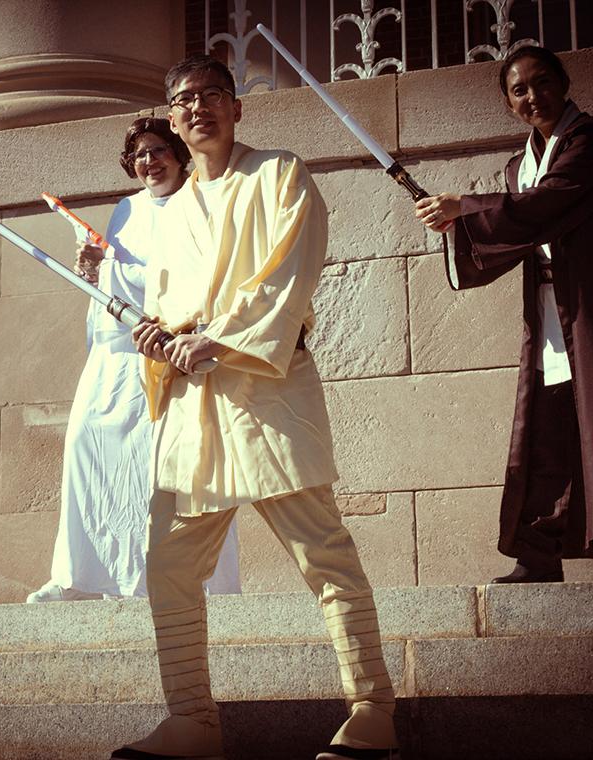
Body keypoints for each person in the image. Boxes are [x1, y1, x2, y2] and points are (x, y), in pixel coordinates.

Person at [117, 55, 399, 760]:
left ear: (236, 106)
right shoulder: (172, 208)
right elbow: (168, 307)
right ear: (173, 116)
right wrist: (156, 336)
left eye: (212, 94)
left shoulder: (281, 173)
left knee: (324, 554)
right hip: (193, 407)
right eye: (184, 100)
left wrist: (213, 338)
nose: (197, 108)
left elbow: (288, 274)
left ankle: (373, 708)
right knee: (170, 566)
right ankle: (192, 719)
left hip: (267, 394)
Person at [415, 45, 593, 583]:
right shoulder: (518, 164)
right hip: (550, 308)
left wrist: (467, 209)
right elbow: (515, 231)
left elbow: (551, 201)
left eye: (542, 83)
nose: (532, 97)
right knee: (547, 426)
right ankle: (539, 552)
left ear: (564, 83)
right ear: (507, 102)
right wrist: (457, 224)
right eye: (519, 90)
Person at [27, 118, 240, 604]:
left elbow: (189, 281)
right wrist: (91, 265)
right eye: (141, 154)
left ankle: (170, 583)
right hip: (114, 352)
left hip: (168, 355)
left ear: (180, 154)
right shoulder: (126, 208)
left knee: (160, 473)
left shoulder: (201, 203)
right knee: (87, 448)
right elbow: (109, 282)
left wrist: (113, 269)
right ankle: (80, 577)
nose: (150, 161)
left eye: (159, 150)